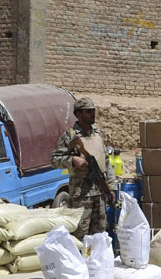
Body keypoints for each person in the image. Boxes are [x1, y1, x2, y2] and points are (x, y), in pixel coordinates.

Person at [50, 96, 116, 238]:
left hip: (100, 191)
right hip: (81, 194)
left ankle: (96, 260)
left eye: (93, 110)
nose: (93, 114)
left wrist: (111, 187)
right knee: (81, 233)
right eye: (88, 111)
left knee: (99, 234)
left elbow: (106, 162)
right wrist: (73, 159)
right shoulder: (70, 136)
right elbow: (54, 159)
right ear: (79, 114)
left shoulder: (98, 133)